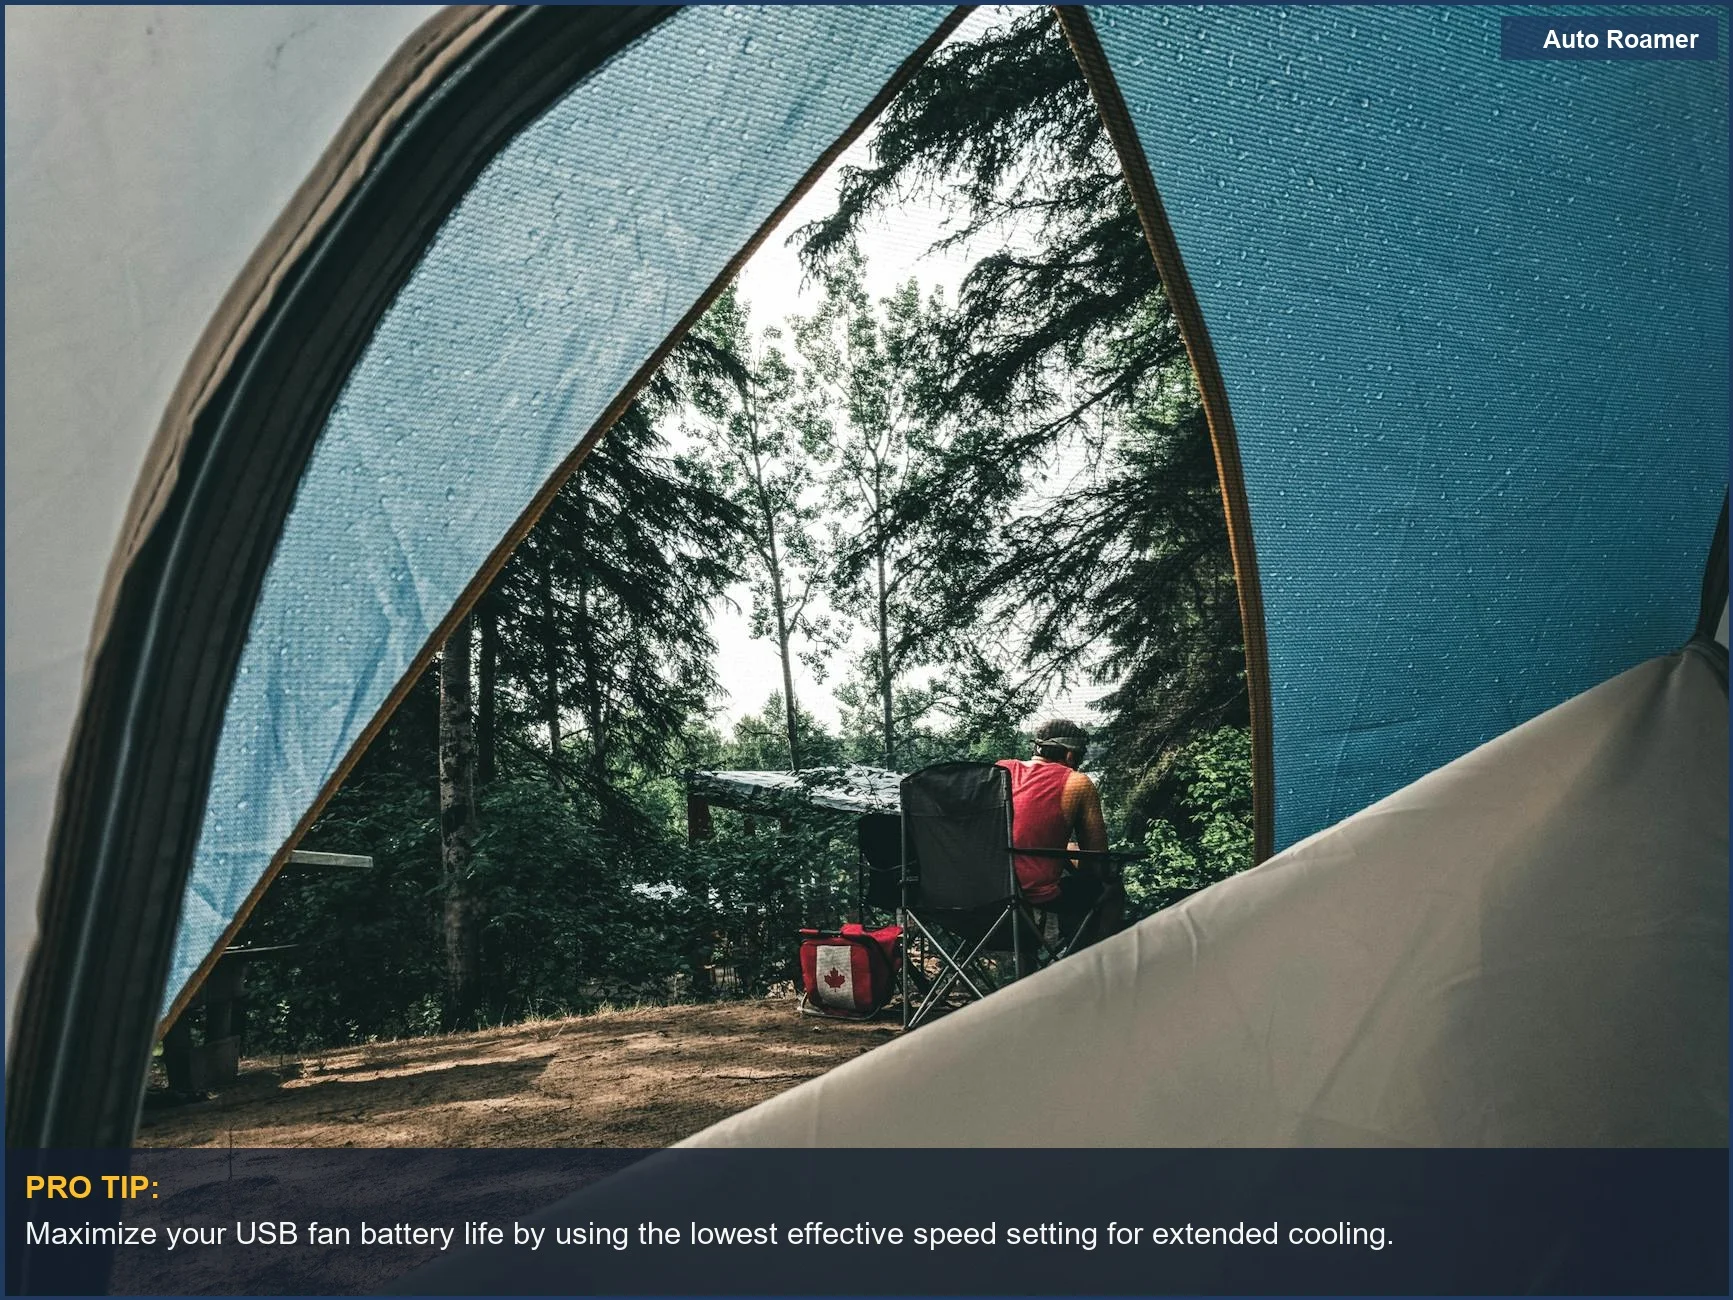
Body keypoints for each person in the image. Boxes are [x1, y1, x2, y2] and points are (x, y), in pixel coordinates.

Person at [997, 719, 1122, 965]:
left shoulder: (1001, 770)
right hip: (1032, 894)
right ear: (1070, 755)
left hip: (985, 889)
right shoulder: (1077, 782)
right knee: (1110, 888)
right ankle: (1088, 967)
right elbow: (1097, 859)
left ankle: (1030, 966)